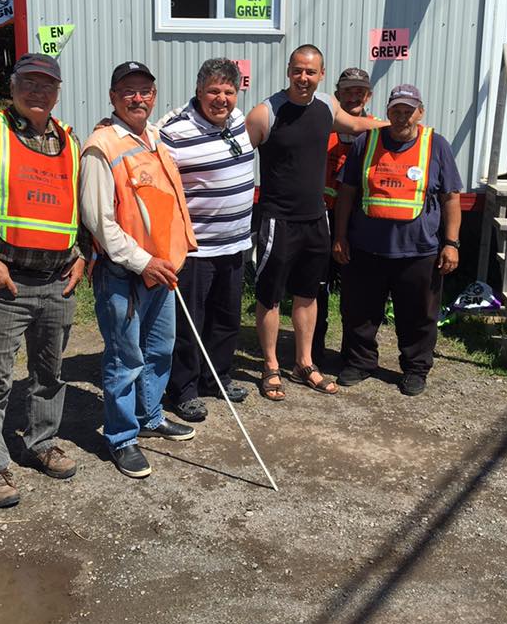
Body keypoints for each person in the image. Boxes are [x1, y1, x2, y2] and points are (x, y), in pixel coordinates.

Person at [0, 53, 86, 508]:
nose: (38, 91)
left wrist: (81, 256)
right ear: (12, 86)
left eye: (47, 84)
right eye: (29, 82)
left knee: (50, 374)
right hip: (4, 283)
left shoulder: (69, 141)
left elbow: (76, 210)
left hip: (58, 283)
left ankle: (42, 442)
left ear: (58, 92)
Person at [80, 61, 197, 479]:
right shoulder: (101, 146)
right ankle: (122, 437)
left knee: (159, 350)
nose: (138, 98)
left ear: (154, 95)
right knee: (124, 358)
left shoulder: (154, 137)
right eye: (128, 91)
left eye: (145, 90)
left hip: (161, 270)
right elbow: (99, 221)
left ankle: (150, 417)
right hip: (125, 274)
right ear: (113, 97)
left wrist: (165, 257)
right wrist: (143, 261)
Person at [245, 44, 383, 400]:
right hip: (277, 220)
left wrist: (397, 125)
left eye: (310, 72)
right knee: (270, 297)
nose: (303, 78)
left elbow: (356, 124)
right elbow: (235, 153)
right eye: (297, 70)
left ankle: (304, 363)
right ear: (288, 71)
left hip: (315, 219)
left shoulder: (326, 106)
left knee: (308, 295)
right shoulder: (265, 112)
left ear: (322, 75)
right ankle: (271, 365)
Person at [332, 84, 462, 396]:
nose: (402, 116)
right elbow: (347, 193)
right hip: (366, 248)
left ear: (420, 112)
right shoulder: (366, 142)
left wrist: (451, 243)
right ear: (388, 112)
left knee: (418, 315)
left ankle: (416, 369)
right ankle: (360, 363)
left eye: (408, 110)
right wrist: (340, 236)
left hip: (419, 250)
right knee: (358, 312)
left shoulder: (436, 145)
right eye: (396, 110)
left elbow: (451, 198)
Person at [159, 58, 254, 422]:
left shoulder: (238, 119)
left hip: (235, 242)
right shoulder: (174, 131)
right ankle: (183, 389)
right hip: (196, 248)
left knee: (226, 319)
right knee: (189, 325)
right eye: (213, 91)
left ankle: (217, 378)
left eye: (228, 91)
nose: (221, 99)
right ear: (199, 91)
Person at [312, 67, 375, 365]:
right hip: (320, 218)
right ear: (337, 95)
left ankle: (354, 356)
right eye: (348, 91)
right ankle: (312, 352)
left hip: (361, 222)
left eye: (359, 91)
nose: (353, 97)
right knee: (315, 289)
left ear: (368, 96)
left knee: (359, 293)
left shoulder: (378, 131)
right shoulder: (320, 127)